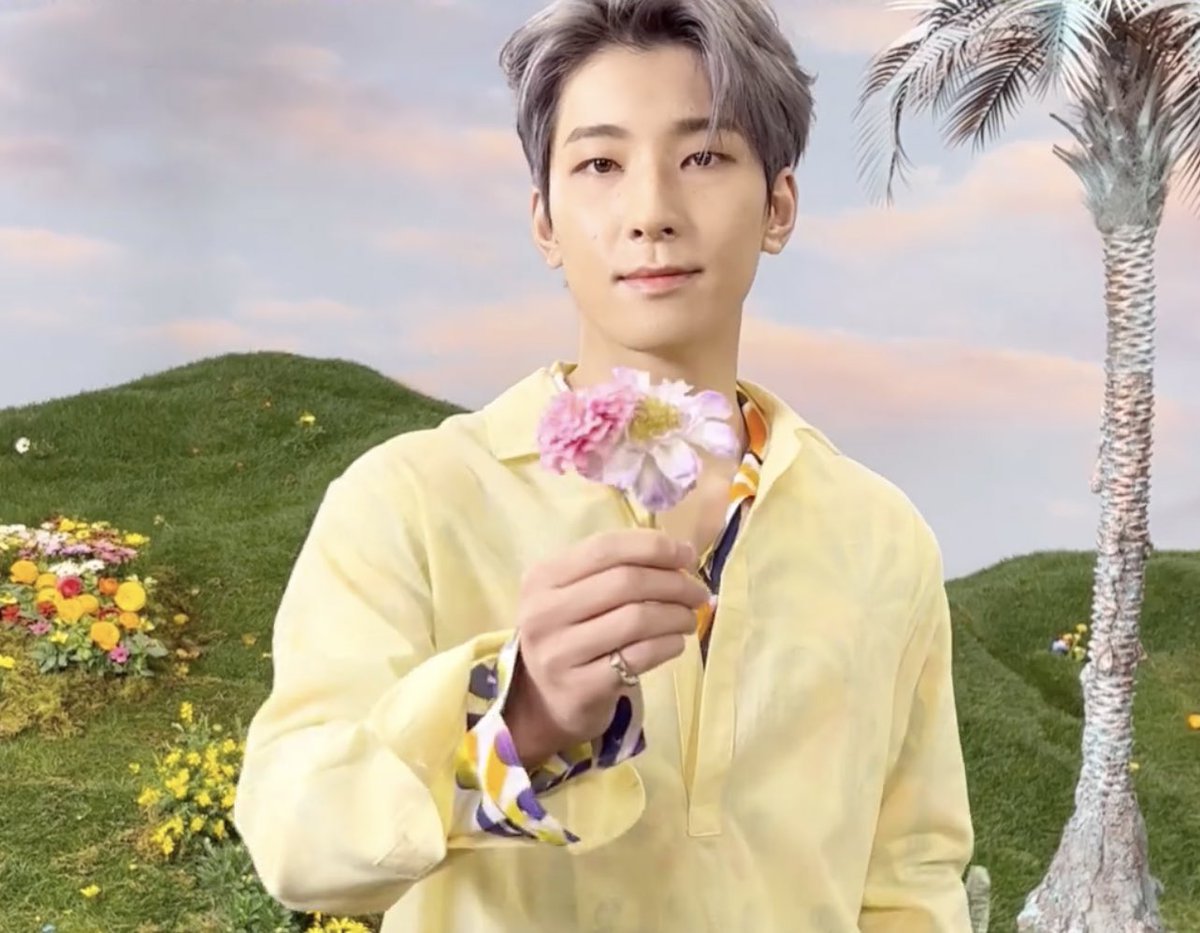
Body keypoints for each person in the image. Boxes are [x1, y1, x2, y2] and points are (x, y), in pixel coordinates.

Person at [233, 0, 976, 929]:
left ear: (779, 206)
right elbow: (298, 842)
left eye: (703, 157)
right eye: (599, 164)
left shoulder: (881, 535)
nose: (651, 213)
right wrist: (521, 716)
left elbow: (912, 878)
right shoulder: (409, 501)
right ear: (544, 221)